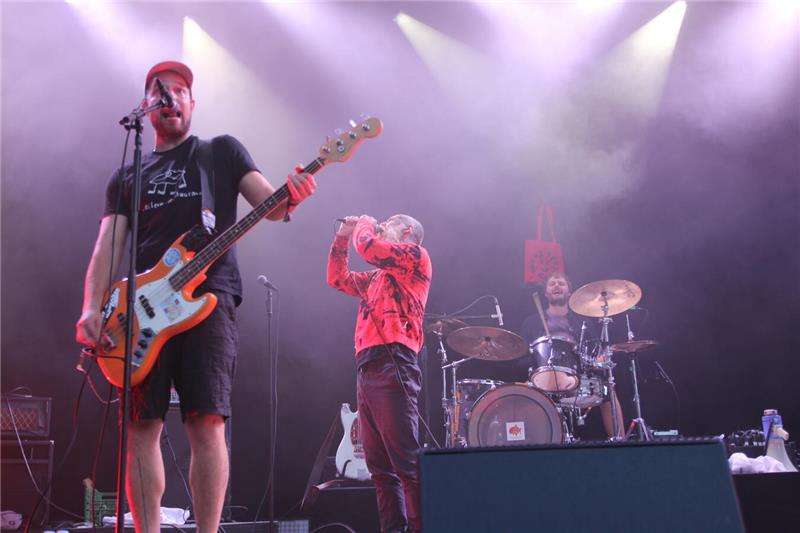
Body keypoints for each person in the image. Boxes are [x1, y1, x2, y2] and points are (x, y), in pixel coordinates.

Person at [75, 61, 316, 533]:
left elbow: (270, 204)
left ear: (192, 102)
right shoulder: (127, 175)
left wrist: (295, 194)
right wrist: (90, 308)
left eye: (181, 90)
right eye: (160, 91)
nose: (171, 98)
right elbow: (108, 247)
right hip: (140, 312)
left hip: (208, 301)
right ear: (147, 107)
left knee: (206, 422)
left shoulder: (219, 153)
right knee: (142, 428)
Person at [327, 214, 432, 533]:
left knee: (406, 461)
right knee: (379, 467)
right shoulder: (376, 278)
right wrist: (342, 238)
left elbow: (370, 247)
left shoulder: (416, 257)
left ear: (408, 231)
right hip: (368, 364)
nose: (383, 225)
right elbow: (337, 278)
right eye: (381, 223)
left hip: (395, 361)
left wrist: (365, 224)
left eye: (389, 223)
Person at [520, 271, 624, 439]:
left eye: (561, 283)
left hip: (577, 377)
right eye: (552, 283)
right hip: (543, 380)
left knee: (608, 390)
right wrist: (532, 374)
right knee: (523, 396)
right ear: (546, 293)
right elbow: (522, 356)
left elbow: (595, 351)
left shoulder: (582, 322)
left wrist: (599, 358)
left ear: (569, 292)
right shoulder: (531, 323)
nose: (556, 286)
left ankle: (621, 442)